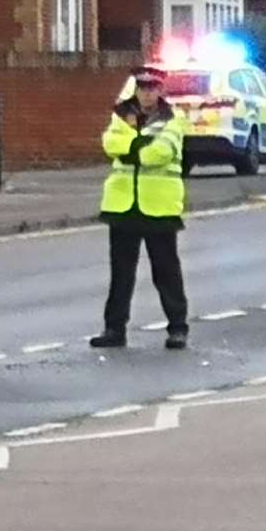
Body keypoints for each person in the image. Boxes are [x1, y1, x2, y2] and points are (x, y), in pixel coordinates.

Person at [92, 65, 190, 350]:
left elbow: (162, 153)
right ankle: (114, 329)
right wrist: (140, 146)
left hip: (159, 207)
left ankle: (177, 328)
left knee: (166, 271)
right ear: (136, 89)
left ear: (161, 90)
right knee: (121, 273)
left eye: (152, 88)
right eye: (142, 87)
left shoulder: (173, 118)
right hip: (123, 205)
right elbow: (111, 144)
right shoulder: (121, 114)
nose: (147, 93)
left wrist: (131, 148)